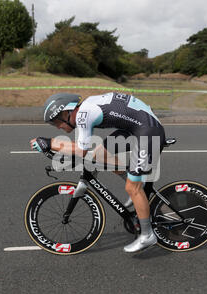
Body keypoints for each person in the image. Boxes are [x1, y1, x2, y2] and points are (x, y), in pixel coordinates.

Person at [30, 92, 166, 253]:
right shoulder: (85, 109)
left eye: (56, 122)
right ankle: (139, 185)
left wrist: (50, 142)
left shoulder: (83, 115)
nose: (58, 127)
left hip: (148, 132)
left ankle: (147, 235)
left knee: (132, 187)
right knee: (100, 155)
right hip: (137, 126)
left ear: (66, 112)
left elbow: (81, 149)